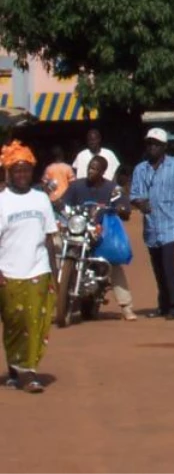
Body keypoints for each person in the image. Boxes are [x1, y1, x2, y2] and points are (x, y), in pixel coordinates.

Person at [0, 141, 58, 393]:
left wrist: (54, 272)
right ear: (9, 173)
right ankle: (14, 368)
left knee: (36, 321)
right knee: (14, 322)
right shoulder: (2, 201)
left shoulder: (41, 199)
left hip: (38, 269)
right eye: (17, 170)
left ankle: (30, 373)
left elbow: (49, 237)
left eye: (26, 170)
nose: (22, 175)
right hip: (9, 271)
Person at [130, 128, 174, 320]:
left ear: (164, 147)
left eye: (156, 144)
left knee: (168, 263)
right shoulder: (140, 169)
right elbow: (134, 196)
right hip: (151, 226)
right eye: (149, 143)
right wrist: (139, 203)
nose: (152, 147)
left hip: (172, 223)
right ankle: (163, 304)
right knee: (157, 266)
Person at [60, 157, 137, 321]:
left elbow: (124, 208)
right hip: (78, 231)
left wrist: (121, 209)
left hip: (102, 235)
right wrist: (58, 205)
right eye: (89, 167)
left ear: (103, 172)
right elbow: (63, 203)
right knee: (55, 249)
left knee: (113, 264)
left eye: (95, 169)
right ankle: (55, 297)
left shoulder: (113, 189)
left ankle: (126, 306)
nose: (90, 171)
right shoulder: (76, 186)